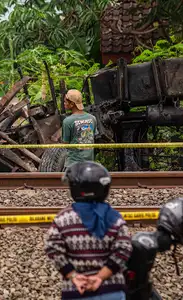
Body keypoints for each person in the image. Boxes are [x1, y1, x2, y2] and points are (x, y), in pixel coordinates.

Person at [45, 161, 132, 300]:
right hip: (111, 290)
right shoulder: (115, 218)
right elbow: (124, 250)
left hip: (76, 291)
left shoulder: (63, 218)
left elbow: (53, 249)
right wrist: (100, 277)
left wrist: (73, 275)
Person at [62, 89, 98, 169]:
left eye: (65, 102)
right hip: (89, 163)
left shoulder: (67, 121)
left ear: (72, 104)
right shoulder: (92, 118)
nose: (64, 103)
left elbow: (65, 143)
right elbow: (93, 136)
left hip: (73, 164)